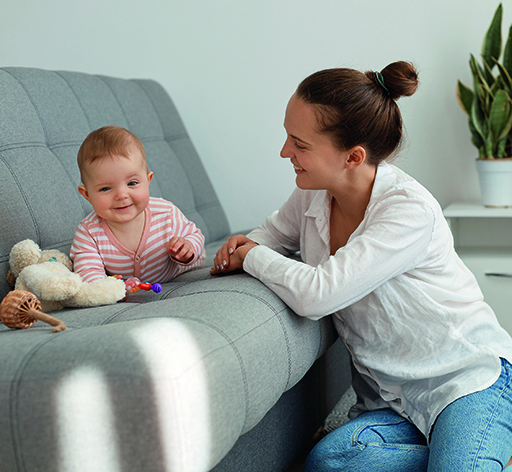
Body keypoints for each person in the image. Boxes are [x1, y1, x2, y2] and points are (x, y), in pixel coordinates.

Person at [211, 62, 512, 471]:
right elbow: (267, 236)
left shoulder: (408, 210)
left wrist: (251, 256)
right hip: (394, 403)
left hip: (465, 383)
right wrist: (235, 250)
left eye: (299, 144)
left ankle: (477, 448)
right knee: (330, 462)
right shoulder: (312, 195)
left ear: (353, 157)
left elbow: (317, 294)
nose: (285, 152)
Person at [71, 125, 205, 284]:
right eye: (105, 188)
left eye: (132, 183)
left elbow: (196, 236)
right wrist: (114, 289)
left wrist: (188, 248)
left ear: (148, 180)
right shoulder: (89, 232)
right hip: (130, 288)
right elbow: (88, 273)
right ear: (87, 195)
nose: (121, 195)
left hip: (179, 274)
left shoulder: (165, 213)